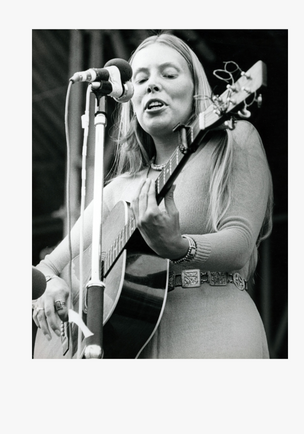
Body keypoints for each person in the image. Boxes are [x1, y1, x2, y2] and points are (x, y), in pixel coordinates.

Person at [33, 32, 273, 359]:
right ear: (129, 99)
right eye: (141, 79)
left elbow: (241, 242)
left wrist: (179, 247)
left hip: (215, 330)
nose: (151, 84)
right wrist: (51, 287)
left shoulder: (233, 140)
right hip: (132, 348)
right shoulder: (117, 190)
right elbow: (48, 266)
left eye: (169, 74)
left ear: (195, 88)